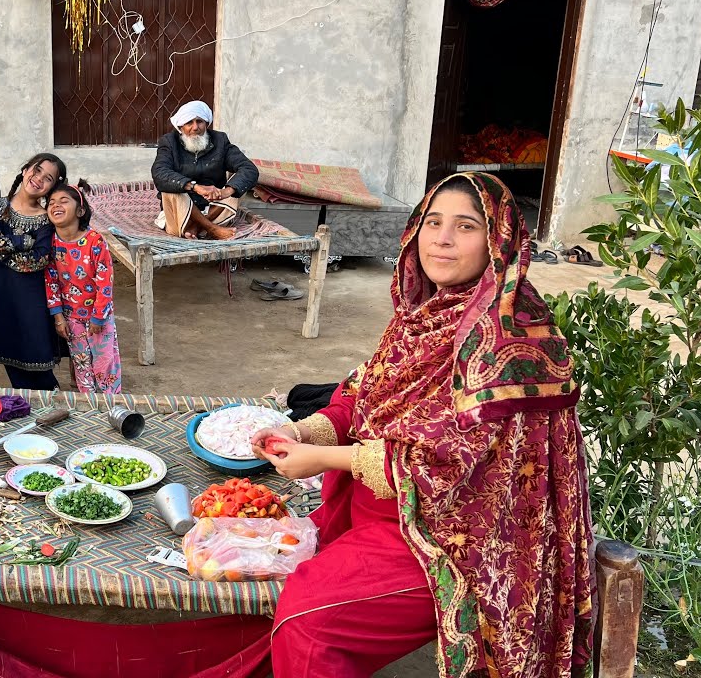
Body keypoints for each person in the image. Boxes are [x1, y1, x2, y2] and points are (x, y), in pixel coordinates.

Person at [250, 172, 595, 678]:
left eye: (466, 226)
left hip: (454, 543)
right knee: (262, 578)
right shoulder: (423, 316)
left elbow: (442, 467)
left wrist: (322, 458)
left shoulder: (508, 339)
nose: (442, 239)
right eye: (433, 222)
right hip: (381, 519)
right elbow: (362, 397)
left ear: (498, 241)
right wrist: (305, 432)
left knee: (308, 619)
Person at [0, 153, 68, 389]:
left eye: (48, 178)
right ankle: (33, 414)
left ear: (52, 187)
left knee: (37, 355)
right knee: (12, 355)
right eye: (37, 170)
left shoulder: (46, 219)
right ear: (25, 169)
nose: (38, 178)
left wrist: (3, 251)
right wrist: (24, 241)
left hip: (34, 298)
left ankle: (53, 402)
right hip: (3, 295)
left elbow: (39, 260)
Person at [44, 181, 123, 394]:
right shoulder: (51, 243)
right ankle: (87, 406)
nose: (55, 206)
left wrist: (98, 317)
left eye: (63, 201)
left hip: (99, 316)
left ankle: (110, 404)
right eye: (51, 202)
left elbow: (105, 283)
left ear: (80, 210)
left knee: (104, 362)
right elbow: (50, 281)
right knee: (81, 363)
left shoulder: (95, 241)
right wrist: (58, 317)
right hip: (71, 318)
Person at [150, 100, 259, 240]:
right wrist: (195, 187)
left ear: (207, 124)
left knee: (239, 186)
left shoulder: (220, 140)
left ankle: (195, 227)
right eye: (189, 123)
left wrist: (227, 191)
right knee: (172, 188)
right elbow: (159, 172)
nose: (195, 127)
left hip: (213, 207)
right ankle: (211, 228)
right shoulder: (169, 142)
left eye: (199, 121)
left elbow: (249, 169)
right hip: (181, 211)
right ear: (181, 127)